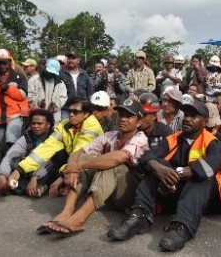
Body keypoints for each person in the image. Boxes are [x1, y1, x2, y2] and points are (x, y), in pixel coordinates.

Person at [107, 101, 221, 252]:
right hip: (175, 193)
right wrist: (159, 169)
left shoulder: (212, 142)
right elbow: (147, 157)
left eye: (193, 116)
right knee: (156, 165)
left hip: (205, 200)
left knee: (201, 176)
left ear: (204, 122)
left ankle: (182, 226)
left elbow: (212, 164)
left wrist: (178, 173)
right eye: (186, 115)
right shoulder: (173, 138)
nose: (187, 119)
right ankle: (139, 216)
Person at [37, 99, 149, 236]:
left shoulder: (141, 139)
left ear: (139, 122)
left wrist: (78, 166)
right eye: (121, 115)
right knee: (85, 158)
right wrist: (72, 166)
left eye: (129, 116)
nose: (123, 119)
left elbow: (118, 158)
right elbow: (78, 152)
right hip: (107, 195)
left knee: (112, 164)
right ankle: (67, 211)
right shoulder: (110, 136)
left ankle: (80, 218)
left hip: (129, 197)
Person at [6, 97, 103, 197]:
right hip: (72, 162)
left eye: (75, 112)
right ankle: (45, 183)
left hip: (91, 165)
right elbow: (47, 147)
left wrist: (61, 177)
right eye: (70, 111)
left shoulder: (92, 127)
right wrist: (20, 170)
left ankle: (72, 190)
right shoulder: (64, 125)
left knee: (76, 161)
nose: (71, 115)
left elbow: (79, 154)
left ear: (86, 114)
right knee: (55, 154)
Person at [0, 109, 54, 195]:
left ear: (48, 125)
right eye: (33, 123)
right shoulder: (28, 136)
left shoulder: (54, 137)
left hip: (46, 170)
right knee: (13, 163)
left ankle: (30, 186)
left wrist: (35, 177)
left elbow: (50, 161)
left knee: (36, 191)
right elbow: (10, 155)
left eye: (40, 124)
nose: (35, 126)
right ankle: (16, 185)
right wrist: (2, 175)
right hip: (27, 169)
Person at [0, 48, 29, 156]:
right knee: (2, 149)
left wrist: (6, 88)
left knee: (11, 142)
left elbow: (22, 95)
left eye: (3, 63)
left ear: (10, 62)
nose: (1, 65)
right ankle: (4, 171)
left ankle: (17, 169)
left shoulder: (19, 75)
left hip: (14, 116)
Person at [28, 59, 68, 124]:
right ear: (45, 67)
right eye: (49, 71)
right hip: (37, 118)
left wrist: (55, 107)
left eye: (52, 72)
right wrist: (38, 103)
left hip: (54, 118)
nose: (50, 73)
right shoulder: (34, 80)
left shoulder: (60, 83)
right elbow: (30, 96)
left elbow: (63, 98)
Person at [60, 51, 92, 120]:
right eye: (69, 58)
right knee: (65, 128)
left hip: (82, 109)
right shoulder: (61, 74)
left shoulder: (84, 74)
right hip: (66, 109)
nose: (71, 60)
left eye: (73, 58)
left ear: (78, 60)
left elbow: (89, 93)